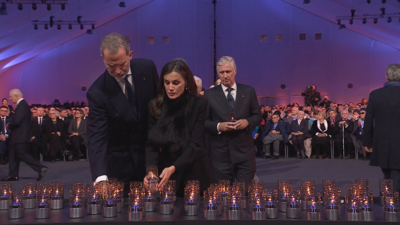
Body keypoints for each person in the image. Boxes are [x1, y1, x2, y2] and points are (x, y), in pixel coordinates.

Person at [86, 33, 159, 192]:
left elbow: (159, 109)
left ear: (130, 55)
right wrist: (100, 177)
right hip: (119, 166)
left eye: (121, 64)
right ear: (102, 59)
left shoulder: (147, 69)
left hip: (151, 158)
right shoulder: (97, 92)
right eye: (110, 66)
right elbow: (96, 136)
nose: (117, 70)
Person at [143, 59, 215, 196]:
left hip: (195, 168)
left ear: (186, 82)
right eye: (167, 82)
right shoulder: (155, 105)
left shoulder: (199, 104)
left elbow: (195, 144)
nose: (170, 87)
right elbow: (151, 144)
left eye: (176, 83)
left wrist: (174, 168)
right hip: (166, 170)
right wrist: (151, 171)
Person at [204, 56, 261, 188]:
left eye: (228, 72)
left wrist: (247, 122)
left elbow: (257, 116)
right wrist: (219, 126)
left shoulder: (248, 91)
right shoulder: (209, 95)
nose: (225, 76)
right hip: (220, 156)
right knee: (224, 197)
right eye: (222, 72)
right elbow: (204, 122)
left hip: (244, 153)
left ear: (235, 71)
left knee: (243, 196)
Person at [363, 64, 400, 193]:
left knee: (388, 171)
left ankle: (389, 198)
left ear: (386, 77)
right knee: (396, 171)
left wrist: (367, 141)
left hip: (382, 139)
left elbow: (368, 120)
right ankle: (392, 199)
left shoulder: (375, 94)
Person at [1, 89, 48, 182]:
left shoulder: (22, 105)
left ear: (16, 96)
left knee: (22, 154)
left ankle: (40, 168)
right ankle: (13, 175)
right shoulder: (22, 105)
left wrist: (9, 125)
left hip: (20, 135)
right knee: (13, 155)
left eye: (10, 96)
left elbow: (17, 121)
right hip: (19, 135)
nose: (10, 99)